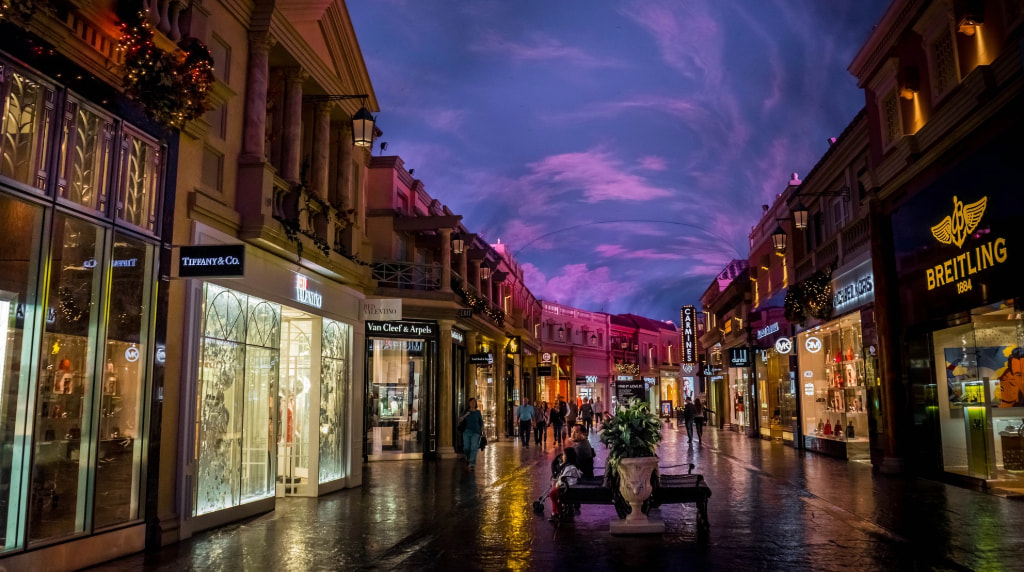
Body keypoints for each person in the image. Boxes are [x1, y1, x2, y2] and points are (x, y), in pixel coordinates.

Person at [548, 447, 583, 522]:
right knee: (553, 493)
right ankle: (556, 512)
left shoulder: (570, 468)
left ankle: (557, 512)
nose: (562, 456)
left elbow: (568, 481)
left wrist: (557, 484)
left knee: (553, 494)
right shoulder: (572, 466)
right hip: (569, 489)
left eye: (563, 455)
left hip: (568, 491)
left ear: (567, 457)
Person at [459, 398, 484, 471]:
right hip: (466, 431)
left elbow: (481, 422)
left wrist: (483, 432)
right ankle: (468, 457)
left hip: (476, 432)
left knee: (474, 447)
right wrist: (465, 415)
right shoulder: (466, 412)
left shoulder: (478, 412)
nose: (473, 404)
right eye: (472, 402)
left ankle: (472, 464)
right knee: (466, 447)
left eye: (474, 402)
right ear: (469, 403)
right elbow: (460, 420)